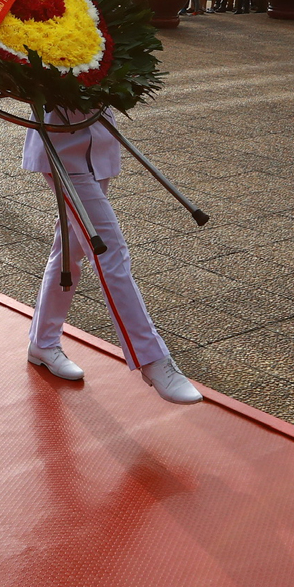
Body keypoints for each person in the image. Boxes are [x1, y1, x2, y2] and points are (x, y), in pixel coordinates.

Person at [22, 104, 202, 406]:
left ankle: (43, 341)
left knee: (69, 249)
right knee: (108, 252)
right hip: (61, 149)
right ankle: (152, 357)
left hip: (98, 145)